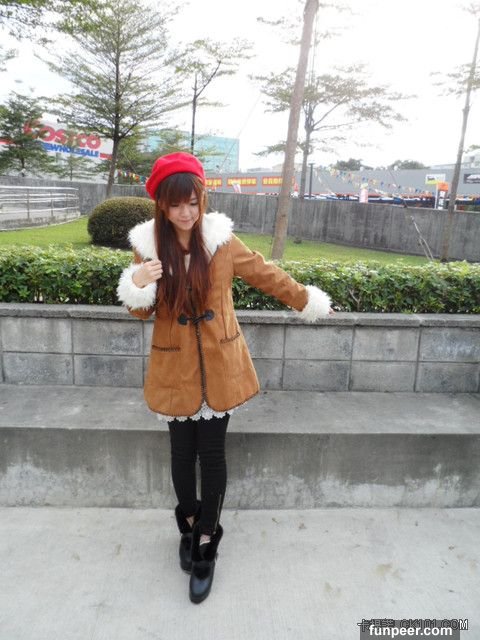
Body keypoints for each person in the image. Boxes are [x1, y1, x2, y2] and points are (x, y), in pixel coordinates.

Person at [116, 152, 334, 604]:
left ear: (202, 199)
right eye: (176, 204)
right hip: (174, 369)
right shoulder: (149, 247)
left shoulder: (221, 241)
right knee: (181, 456)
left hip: (221, 365)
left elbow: (266, 274)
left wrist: (306, 300)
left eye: (193, 202)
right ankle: (188, 523)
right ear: (161, 204)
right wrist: (137, 281)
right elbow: (140, 312)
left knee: (212, 456)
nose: (186, 212)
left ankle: (207, 539)